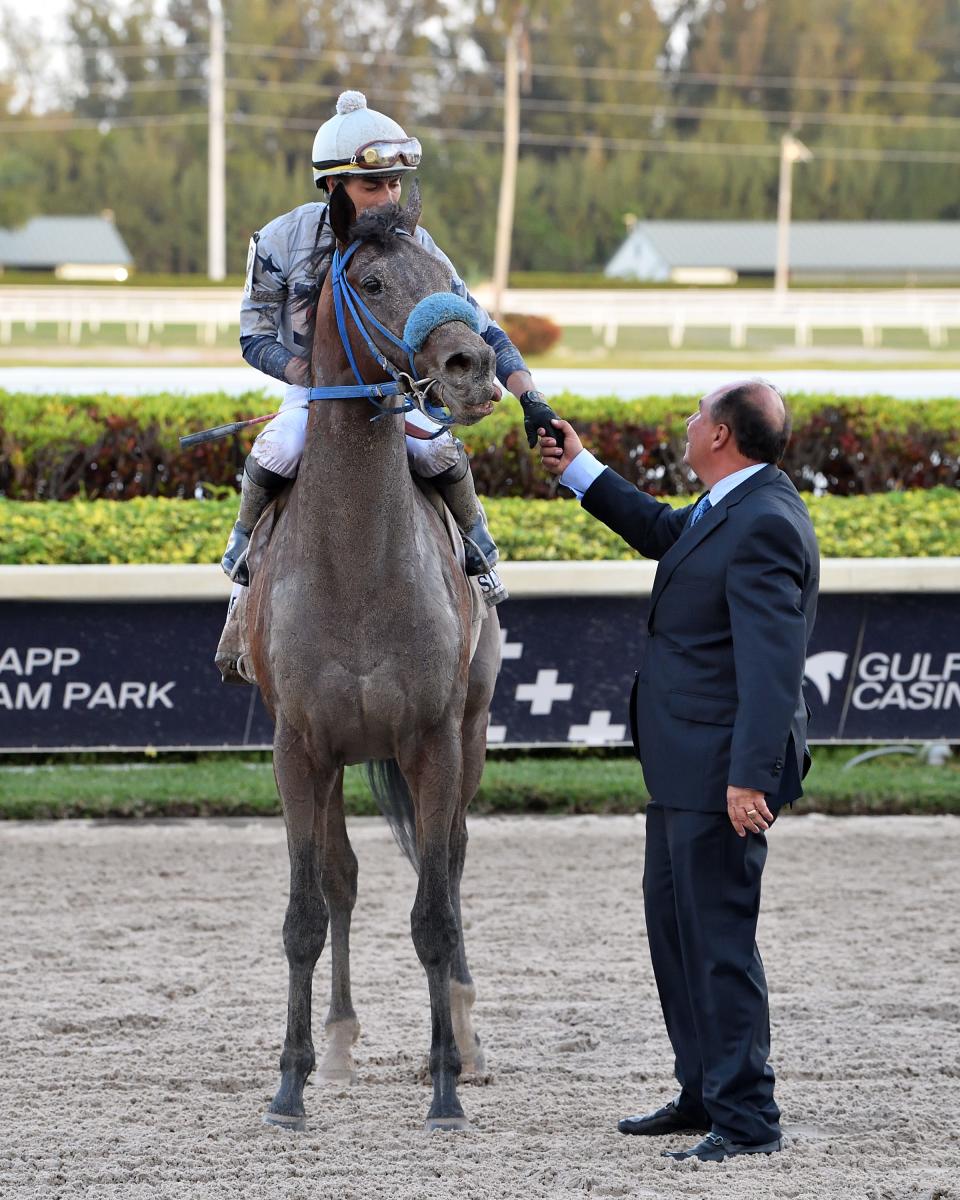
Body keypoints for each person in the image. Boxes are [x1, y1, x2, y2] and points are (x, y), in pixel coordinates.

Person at [538, 380, 819, 1163]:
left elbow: (774, 666)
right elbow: (664, 530)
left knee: (718, 941)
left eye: (697, 417)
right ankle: (705, 1093)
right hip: (683, 766)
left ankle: (749, 1118)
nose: (687, 426)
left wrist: (750, 778)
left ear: (722, 435)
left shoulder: (763, 521)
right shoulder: (731, 503)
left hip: (722, 774)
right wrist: (581, 468)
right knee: (678, 935)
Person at [223, 89, 559, 605]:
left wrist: (531, 398)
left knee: (435, 448)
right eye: (371, 184)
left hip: (397, 394)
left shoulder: (419, 249)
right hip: (319, 395)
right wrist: (305, 374)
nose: (387, 197)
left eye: (394, 183)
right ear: (333, 186)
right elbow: (254, 337)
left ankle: (477, 553)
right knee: (280, 447)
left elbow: (484, 330)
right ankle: (243, 572)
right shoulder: (278, 241)